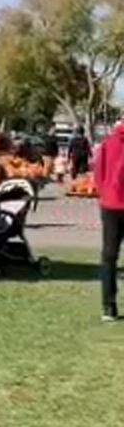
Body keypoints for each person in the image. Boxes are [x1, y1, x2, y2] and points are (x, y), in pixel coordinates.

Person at [96, 118, 124, 321]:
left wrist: (105, 192)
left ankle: (108, 306)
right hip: (114, 202)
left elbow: (98, 172)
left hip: (110, 204)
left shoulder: (107, 141)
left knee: (109, 255)